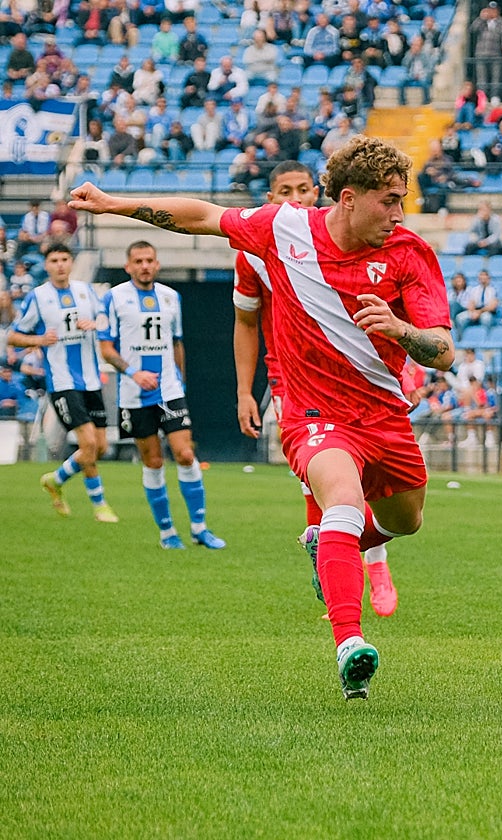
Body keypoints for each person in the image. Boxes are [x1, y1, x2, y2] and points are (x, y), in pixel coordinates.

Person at [71, 136, 455, 701]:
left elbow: (443, 350)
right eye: (389, 200)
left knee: (406, 521)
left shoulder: (409, 253)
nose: (399, 213)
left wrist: (403, 332)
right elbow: (202, 216)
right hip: (313, 413)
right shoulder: (283, 228)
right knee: (343, 501)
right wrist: (114, 204)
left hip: (384, 414)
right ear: (348, 198)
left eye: (403, 200)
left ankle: (327, 549)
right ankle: (350, 645)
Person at [231, 161, 398, 619]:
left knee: (373, 476)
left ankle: (375, 559)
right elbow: (246, 322)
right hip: (293, 378)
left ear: (320, 192)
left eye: (305, 189)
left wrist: (408, 377)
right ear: (269, 199)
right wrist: (246, 391)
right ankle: (336, 568)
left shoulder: (345, 236)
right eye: (285, 190)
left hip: (360, 378)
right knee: (319, 477)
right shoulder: (253, 252)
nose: (297, 198)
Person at [94, 241, 225, 551]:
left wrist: (181, 380)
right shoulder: (113, 299)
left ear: (157, 263)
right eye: (138, 260)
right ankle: (167, 532)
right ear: (128, 266)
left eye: (149, 260)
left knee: (185, 454)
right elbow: (106, 348)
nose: (144, 266)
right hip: (134, 393)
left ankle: (199, 528)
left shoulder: (170, 297)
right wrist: (132, 372)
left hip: (169, 389)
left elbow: (177, 342)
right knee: (153, 461)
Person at [7, 244, 119, 524]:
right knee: (89, 444)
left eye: (64, 259)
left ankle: (55, 479)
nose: (60, 265)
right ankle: (100, 505)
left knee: (101, 447)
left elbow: (105, 320)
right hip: (62, 382)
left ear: (71, 262)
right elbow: (13, 337)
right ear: (46, 265)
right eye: (54, 260)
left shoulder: (86, 291)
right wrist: (38, 340)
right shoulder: (39, 297)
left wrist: (96, 325)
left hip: (91, 380)